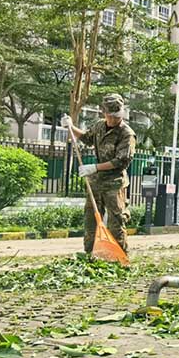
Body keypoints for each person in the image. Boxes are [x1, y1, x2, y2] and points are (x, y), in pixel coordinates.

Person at [62, 94, 136, 255]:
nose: (113, 119)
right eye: (110, 116)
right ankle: (90, 254)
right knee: (91, 219)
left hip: (114, 183)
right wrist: (70, 126)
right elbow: (87, 138)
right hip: (96, 183)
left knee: (116, 221)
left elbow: (121, 161)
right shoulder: (99, 126)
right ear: (104, 113)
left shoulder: (127, 134)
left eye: (117, 116)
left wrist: (95, 167)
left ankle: (119, 256)